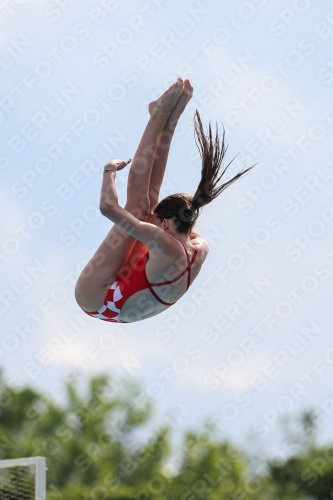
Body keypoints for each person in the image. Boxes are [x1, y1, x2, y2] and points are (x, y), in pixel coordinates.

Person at [74, 77, 254, 323]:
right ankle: (164, 117)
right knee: (146, 205)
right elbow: (122, 210)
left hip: (96, 297)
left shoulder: (189, 245)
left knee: (138, 207)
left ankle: (160, 116)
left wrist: (109, 171)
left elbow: (108, 207)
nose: (154, 225)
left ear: (167, 223)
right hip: (121, 303)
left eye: (157, 223)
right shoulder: (195, 248)